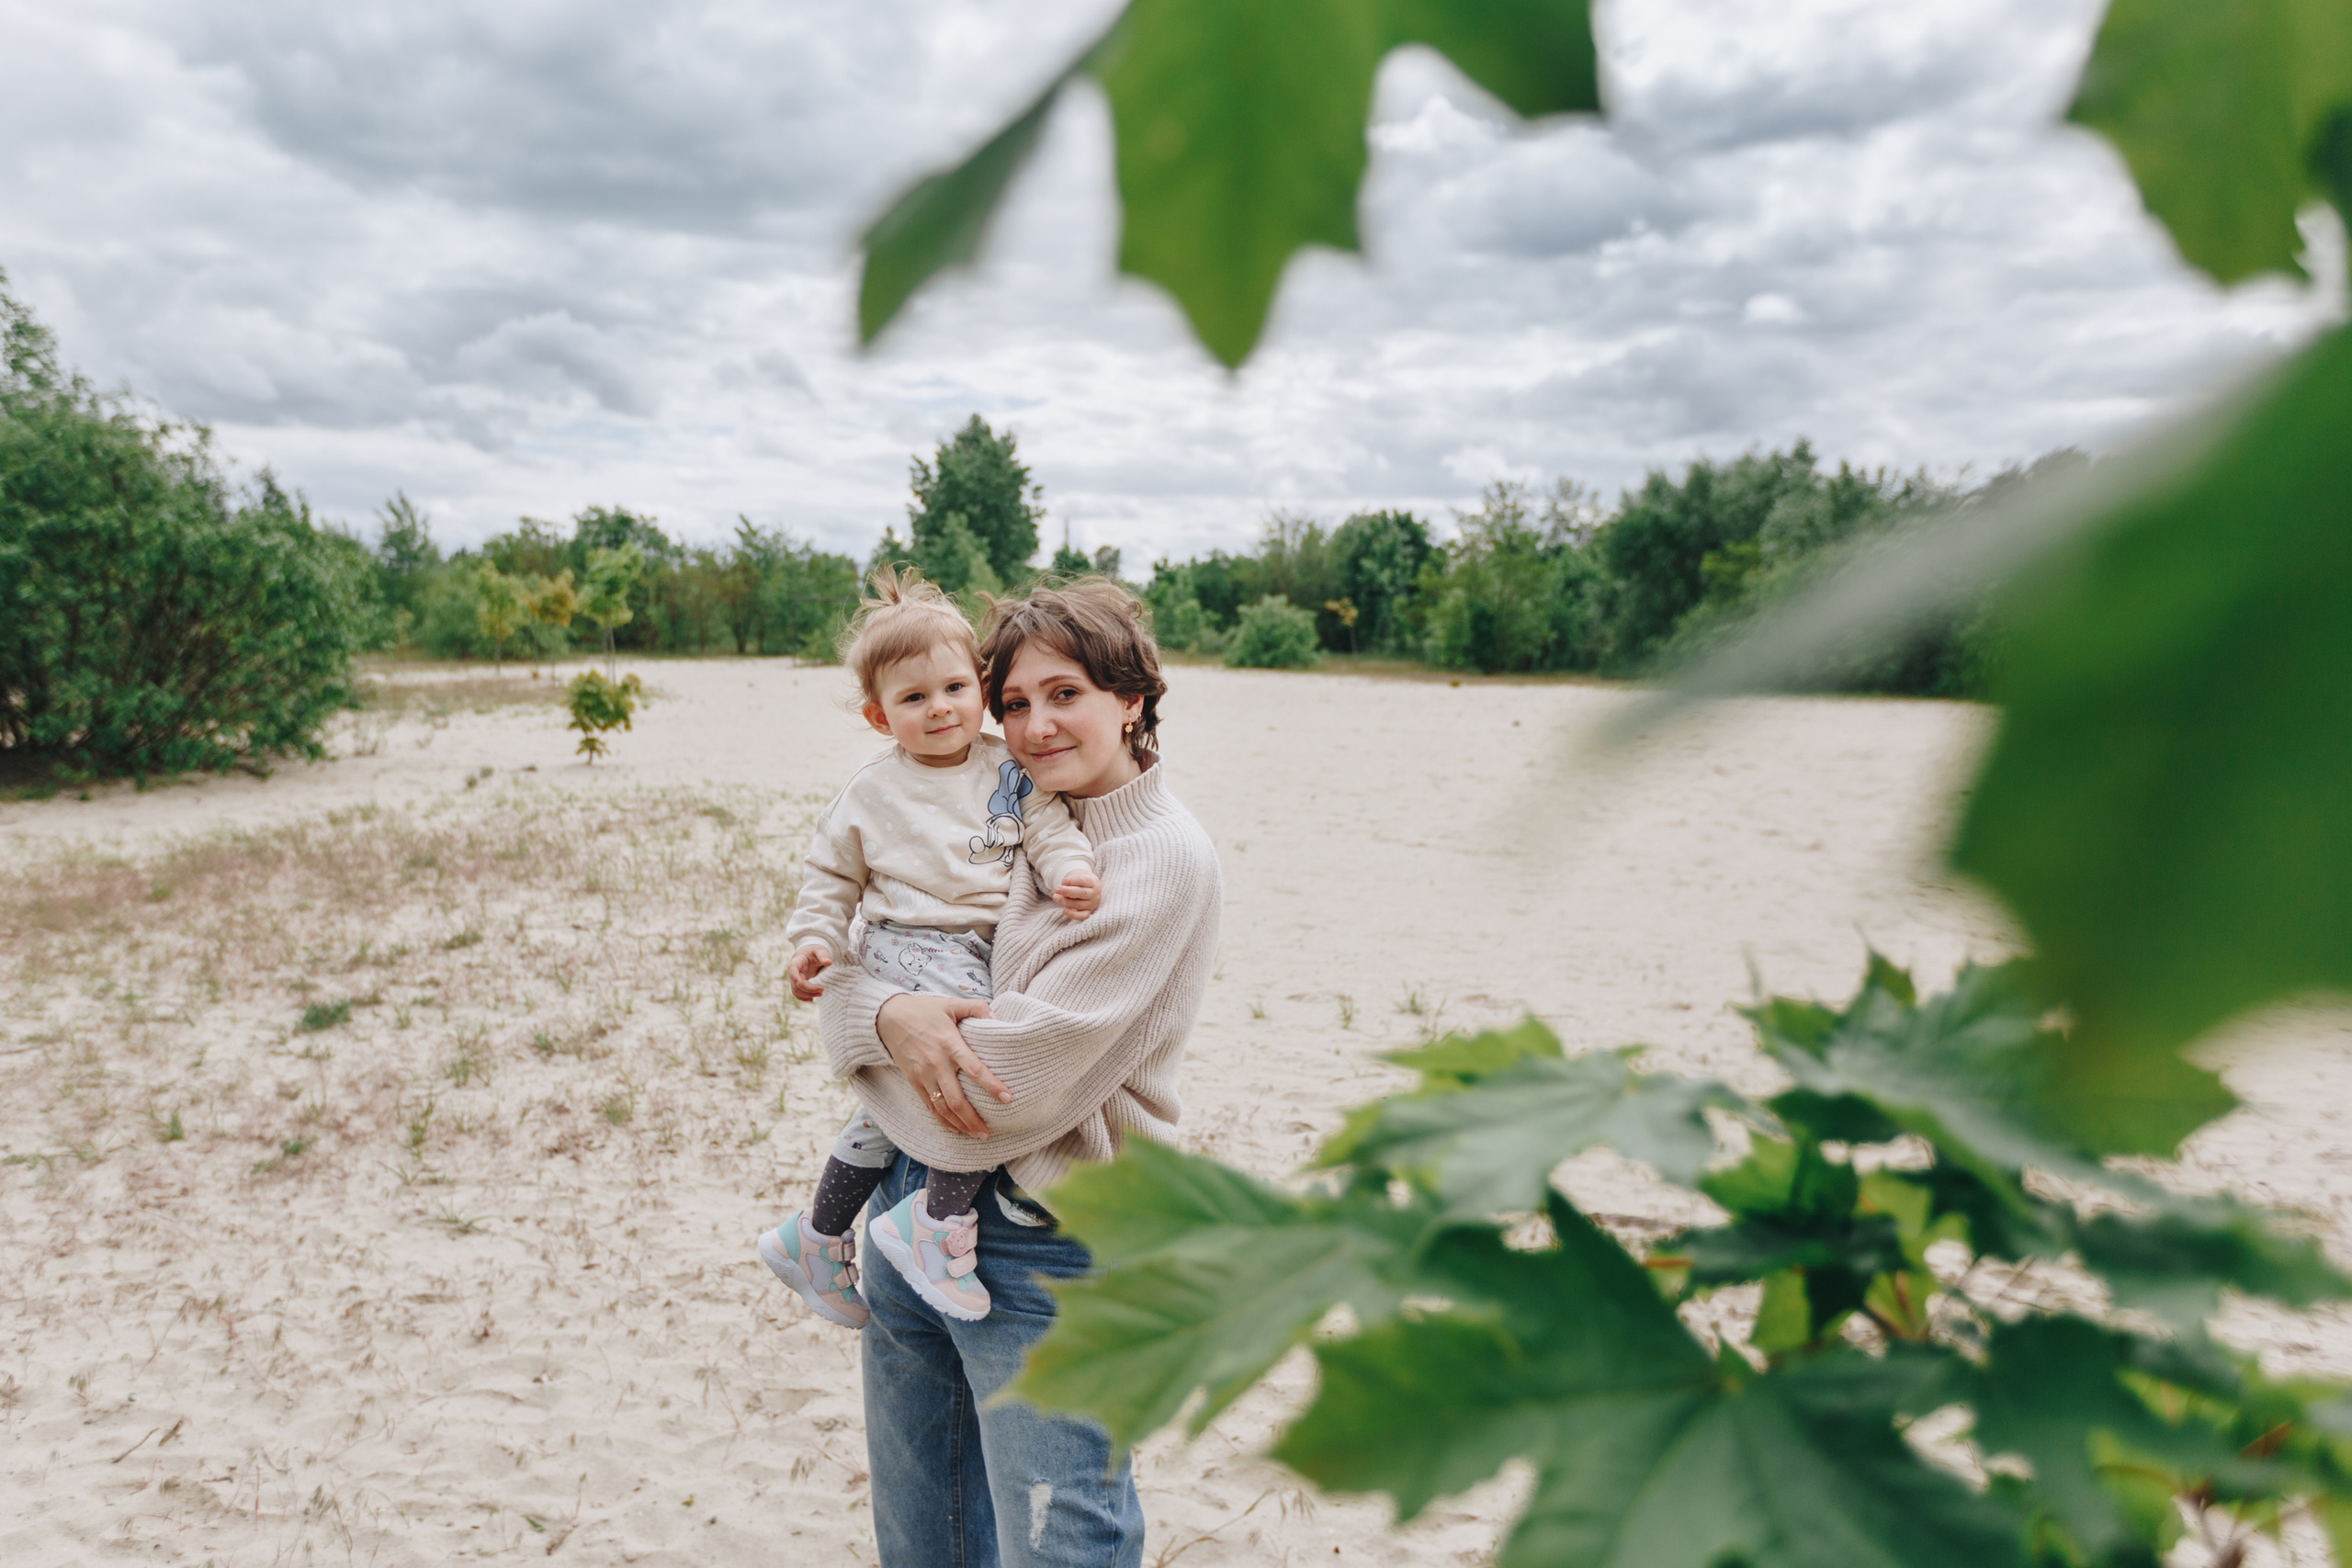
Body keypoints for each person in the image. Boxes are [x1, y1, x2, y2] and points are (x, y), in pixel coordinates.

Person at [818, 577, 1221, 1568]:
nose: (1035, 726)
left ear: (1133, 697)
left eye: (1067, 693)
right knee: (926, 1543)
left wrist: (870, 1023)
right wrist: (891, 1013)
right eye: (1014, 702)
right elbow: (855, 968)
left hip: (1046, 1250)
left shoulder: (1158, 857)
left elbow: (1003, 1091)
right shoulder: (1000, 816)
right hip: (912, 1214)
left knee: (1060, 1549)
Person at [758, 568, 1102, 1329]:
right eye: (914, 699)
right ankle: (937, 1220)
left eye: (952, 688)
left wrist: (1072, 868)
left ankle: (814, 1235)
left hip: (972, 945)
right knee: (972, 1063)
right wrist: (815, 939)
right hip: (907, 944)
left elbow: (1047, 830)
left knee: (894, 1112)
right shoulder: (873, 790)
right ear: (881, 717)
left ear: (979, 686)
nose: (939, 708)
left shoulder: (1007, 769)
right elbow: (830, 876)